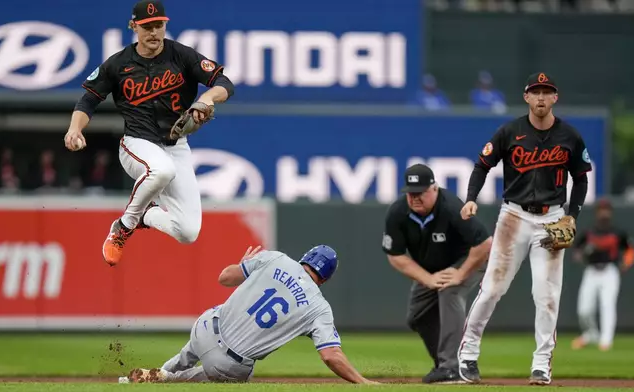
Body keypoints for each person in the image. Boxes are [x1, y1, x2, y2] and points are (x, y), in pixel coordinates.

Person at [63, 0, 235, 266]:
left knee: (188, 231)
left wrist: (208, 99)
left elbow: (224, 83)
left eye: (159, 26)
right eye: (147, 27)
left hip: (176, 145)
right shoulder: (118, 64)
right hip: (136, 144)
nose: (154, 32)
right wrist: (75, 128)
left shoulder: (181, 55)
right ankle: (123, 227)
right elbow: (89, 99)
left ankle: (145, 215)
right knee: (162, 170)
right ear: (134, 27)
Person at [458, 72, 592, 386]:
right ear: (527, 97)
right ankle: (467, 356)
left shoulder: (569, 136)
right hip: (514, 217)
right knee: (492, 289)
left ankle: (541, 365)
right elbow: (482, 165)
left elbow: (582, 177)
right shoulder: (510, 131)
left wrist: (572, 216)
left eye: (547, 92)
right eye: (536, 92)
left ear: (555, 97)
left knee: (546, 296)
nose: (542, 97)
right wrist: (470, 198)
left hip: (552, 219)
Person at [121, 245, 379, 385]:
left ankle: (151, 376)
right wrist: (362, 382)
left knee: (189, 352)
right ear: (325, 279)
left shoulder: (275, 258)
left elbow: (224, 278)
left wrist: (243, 266)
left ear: (305, 258)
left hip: (205, 328)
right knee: (222, 375)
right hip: (228, 365)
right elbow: (330, 355)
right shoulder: (319, 306)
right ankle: (168, 379)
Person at [381, 164, 492, 384]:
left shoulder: (451, 207)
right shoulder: (398, 212)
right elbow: (395, 255)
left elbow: (485, 244)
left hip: (469, 260)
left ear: (434, 188)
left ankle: (453, 367)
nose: (415, 198)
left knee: (449, 290)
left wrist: (460, 274)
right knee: (417, 316)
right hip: (432, 269)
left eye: (420, 192)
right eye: (411, 193)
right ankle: (443, 365)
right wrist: (427, 279)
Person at [571, 198, 634, 352]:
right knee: (584, 309)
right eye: (601, 210)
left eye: (606, 210)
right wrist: (583, 253)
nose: (604, 213)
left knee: (607, 305)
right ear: (597, 212)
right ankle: (591, 333)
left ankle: (606, 340)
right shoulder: (589, 232)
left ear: (610, 213)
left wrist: (626, 263)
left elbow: (629, 249)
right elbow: (576, 251)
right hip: (592, 271)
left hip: (609, 271)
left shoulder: (617, 232)